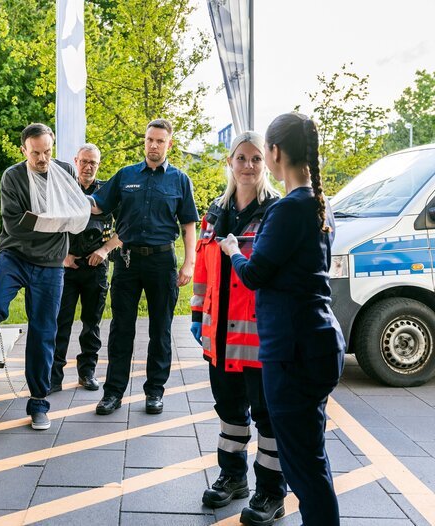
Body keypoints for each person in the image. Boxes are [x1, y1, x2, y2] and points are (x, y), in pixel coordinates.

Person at [219, 113, 346, 526]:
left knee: (303, 468)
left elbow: (255, 274)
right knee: (311, 460)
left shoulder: (289, 209)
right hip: (315, 342)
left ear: (274, 153)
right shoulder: (315, 204)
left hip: (294, 350)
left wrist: (234, 250)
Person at [191, 131, 286, 525]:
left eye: (256, 159)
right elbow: (202, 267)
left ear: (266, 164)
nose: (248, 165)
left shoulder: (277, 212)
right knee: (229, 412)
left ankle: (270, 494)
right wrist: (197, 316)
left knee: (268, 418)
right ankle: (233, 478)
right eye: (241, 158)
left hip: (259, 338)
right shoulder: (214, 211)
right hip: (220, 338)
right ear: (229, 163)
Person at [89, 119, 199, 416]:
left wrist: (190, 263)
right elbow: (97, 205)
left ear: (169, 145)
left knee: (160, 329)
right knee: (121, 329)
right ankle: (113, 393)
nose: (153, 145)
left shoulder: (179, 180)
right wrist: (68, 196)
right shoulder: (125, 176)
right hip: (127, 261)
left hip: (162, 263)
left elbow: (189, 225)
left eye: (160, 141)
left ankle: (154, 392)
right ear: (145, 141)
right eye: (150, 139)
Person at [0, 123, 77, 431]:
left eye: (47, 151)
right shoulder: (13, 177)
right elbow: (16, 225)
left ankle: (39, 403)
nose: (43, 159)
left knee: (43, 333)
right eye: (36, 153)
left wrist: (49, 222)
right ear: (23, 150)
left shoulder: (65, 172)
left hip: (51, 264)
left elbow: (75, 214)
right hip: (15, 256)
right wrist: (54, 223)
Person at [49, 143, 121, 394]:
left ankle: (87, 372)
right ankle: (54, 376)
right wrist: (63, 255)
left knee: (92, 324)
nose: (88, 166)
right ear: (75, 161)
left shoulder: (108, 193)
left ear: (98, 165)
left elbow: (126, 228)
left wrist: (104, 251)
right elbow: (52, 224)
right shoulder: (64, 190)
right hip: (68, 267)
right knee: (61, 323)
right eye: (84, 161)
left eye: (93, 162)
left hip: (96, 268)